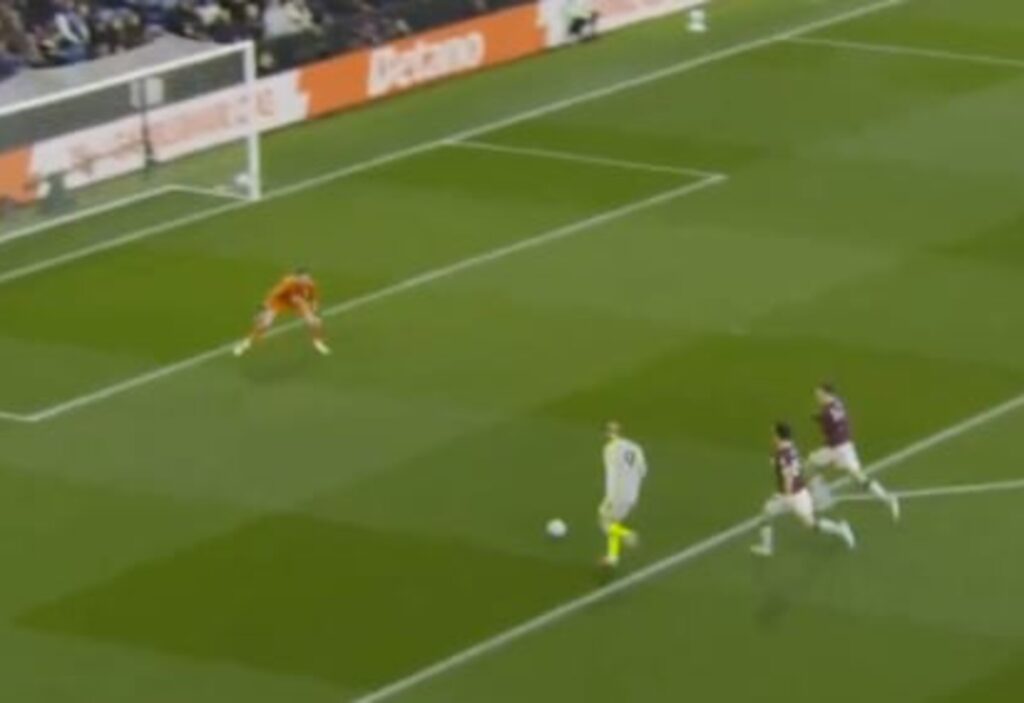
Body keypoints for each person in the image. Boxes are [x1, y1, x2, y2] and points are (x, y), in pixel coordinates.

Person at [751, 422, 856, 557]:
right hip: (793, 493)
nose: (773, 437)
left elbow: (788, 476)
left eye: (774, 434)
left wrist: (787, 495)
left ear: (779, 436)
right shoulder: (790, 449)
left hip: (793, 495)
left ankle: (841, 529)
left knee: (812, 525)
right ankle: (767, 547)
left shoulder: (783, 455)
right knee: (766, 513)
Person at [806, 383, 900, 521]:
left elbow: (829, 427)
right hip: (845, 446)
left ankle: (822, 500)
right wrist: (820, 418)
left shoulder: (827, 412)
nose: (817, 397)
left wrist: (820, 420)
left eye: (819, 394)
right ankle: (888, 498)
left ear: (827, 394)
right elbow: (838, 420)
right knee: (857, 477)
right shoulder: (838, 403)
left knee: (810, 466)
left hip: (837, 448)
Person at [233, 267, 330, 356]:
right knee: (265, 324)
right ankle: (246, 343)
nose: (305, 280)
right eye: (303, 278)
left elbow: (314, 298)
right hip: (280, 301)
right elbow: (274, 294)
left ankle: (318, 342)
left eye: (307, 278)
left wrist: (314, 309)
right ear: (297, 278)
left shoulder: (311, 284)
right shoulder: (287, 283)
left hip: (298, 302)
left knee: (314, 322)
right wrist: (265, 307)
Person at [599, 421, 647, 567]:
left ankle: (627, 534)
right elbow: (643, 471)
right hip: (632, 495)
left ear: (608, 433)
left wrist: (610, 496)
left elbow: (611, 472)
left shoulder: (609, 448)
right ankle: (612, 558)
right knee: (615, 523)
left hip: (616, 494)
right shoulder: (636, 447)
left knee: (604, 523)